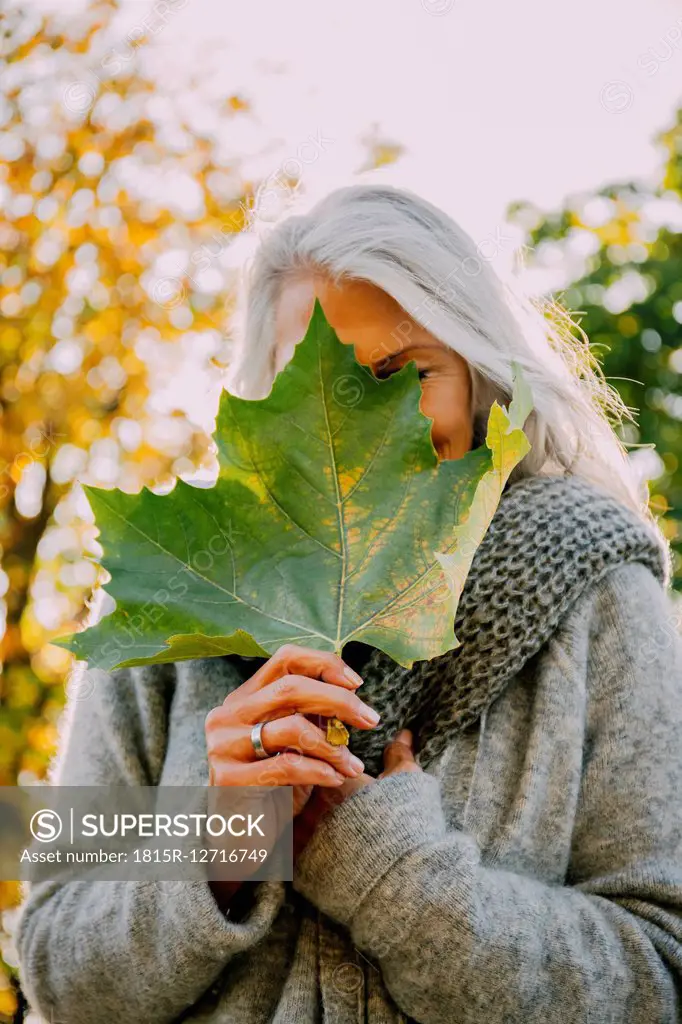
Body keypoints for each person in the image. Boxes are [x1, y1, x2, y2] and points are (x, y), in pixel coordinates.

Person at [16, 182, 682, 1023]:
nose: (367, 427)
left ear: (477, 376)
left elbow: (663, 975)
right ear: (265, 396)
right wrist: (222, 845)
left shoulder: (601, 595)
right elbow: (54, 967)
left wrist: (395, 875)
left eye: (410, 376)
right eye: (323, 386)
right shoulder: (182, 599)